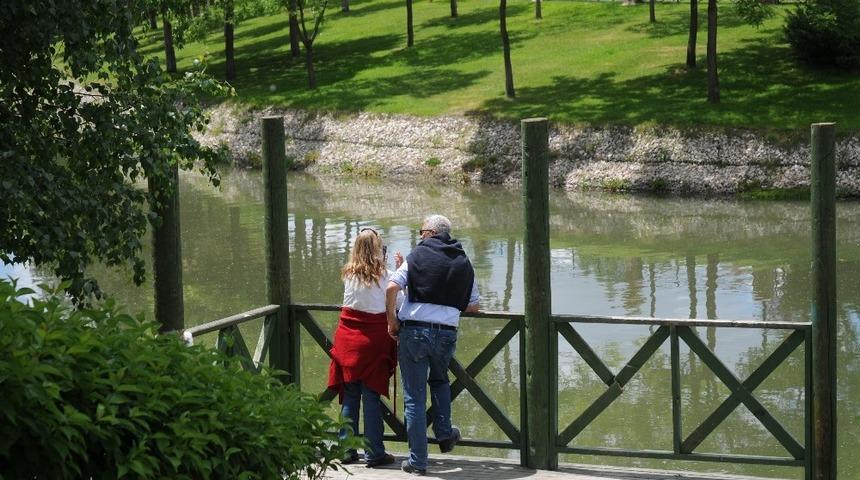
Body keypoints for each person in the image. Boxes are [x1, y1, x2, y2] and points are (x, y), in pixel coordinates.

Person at [386, 214, 480, 476]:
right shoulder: (463, 261)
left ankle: (418, 461)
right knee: (439, 382)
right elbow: (473, 305)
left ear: (429, 233)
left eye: (420, 232)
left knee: (414, 398)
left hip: (414, 333)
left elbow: (392, 287)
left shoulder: (417, 256)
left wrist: (391, 321)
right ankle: (445, 435)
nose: (419, 237)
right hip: (447, 333)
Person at [327, 228, 398, 468]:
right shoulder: (386, 276)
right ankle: (374, 452)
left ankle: (346, 449)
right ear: (378, 249)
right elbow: (397, 300)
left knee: (350, 395)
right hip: (373, 343)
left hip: (347, 340)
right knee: (371, 396)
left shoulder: (348, 274)